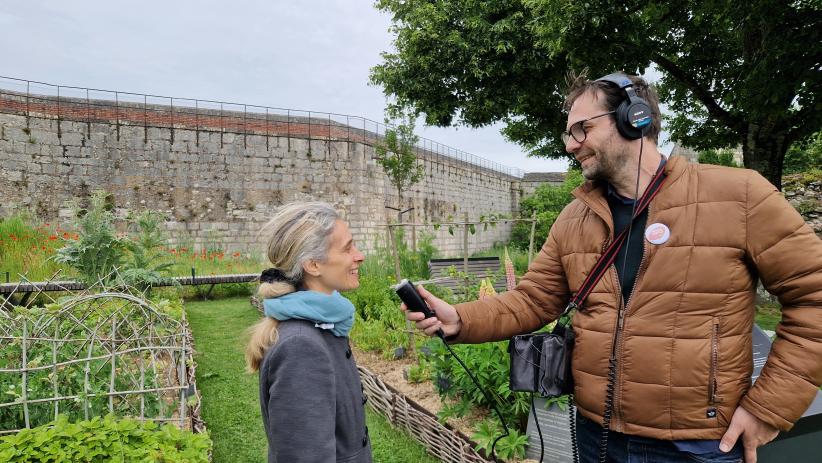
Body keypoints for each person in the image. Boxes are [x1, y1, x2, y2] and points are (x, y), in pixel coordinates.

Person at [404, 71, 822, 463]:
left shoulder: (740, 195)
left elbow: (814, 299)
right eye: (569, 133)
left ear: (633, 118)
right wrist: (460, 319)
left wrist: (769, 408)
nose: (570, 144)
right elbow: (534, 298)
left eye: (581, 128)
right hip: (597, 435)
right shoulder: (575, 216)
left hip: (697, 445)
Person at [245, 201, 371, 463]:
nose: (359, 255)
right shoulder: (300, 347)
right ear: (313, 264)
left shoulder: (323, 324)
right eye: (348, 248)